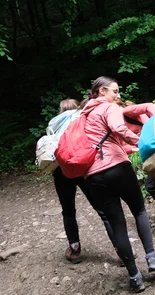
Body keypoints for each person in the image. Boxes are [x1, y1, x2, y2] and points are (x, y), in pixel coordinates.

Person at [83, 77, 155, 293]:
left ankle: (134, 275)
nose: (118, 96)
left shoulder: (85, 114)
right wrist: (145, 144)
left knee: (117, 222)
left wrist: (130, 147)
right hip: (117, 169)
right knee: (139, 210)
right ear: (102, 91)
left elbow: (106, 142)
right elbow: (119, 129)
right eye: (115, 91)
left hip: (93, 174)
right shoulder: (108, 107)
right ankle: (152, 257)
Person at [47, 99, 116, 263]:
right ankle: (122, 249)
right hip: (85, 166)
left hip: (62, 170)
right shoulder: (83, 117)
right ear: (77, 107)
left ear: (60, 109)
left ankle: (75, 249)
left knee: (68, 211)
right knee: (103, 210)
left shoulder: (52, 123)